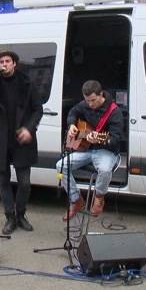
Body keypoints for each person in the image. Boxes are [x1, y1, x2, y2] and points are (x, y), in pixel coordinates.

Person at [0, 51, 43, 235]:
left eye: (7, 61)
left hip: (22, 139)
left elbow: (38, 110)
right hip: (0, 139)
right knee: (3, 181)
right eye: (1, 62)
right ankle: (9, 218)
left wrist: (29, 128)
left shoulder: (27, 84)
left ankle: (20, 214)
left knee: (25, 183)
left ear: (14, 64)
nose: (3, 64)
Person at [56, 80, 124, 221]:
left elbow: (116, 139)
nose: (90, 104)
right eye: (87, 101)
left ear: (101, 95)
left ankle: (99, 197)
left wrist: (100, 139)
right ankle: (76, 200)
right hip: (86, 149)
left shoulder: (114, 112)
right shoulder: (84, 105)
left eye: (93, 100)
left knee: (105, 170)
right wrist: (71, 125)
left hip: (107, 150)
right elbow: (73, 112)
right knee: (60, 166)